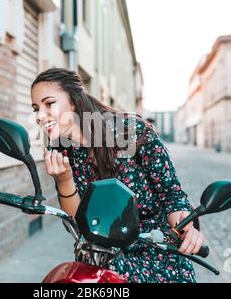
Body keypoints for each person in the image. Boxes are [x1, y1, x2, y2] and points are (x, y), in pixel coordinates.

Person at [30, 68, 204, 283]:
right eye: (36, 108)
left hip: (158, 254)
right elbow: (78, 221)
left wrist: (185, 225)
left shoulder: (131, 132)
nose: (39, 116)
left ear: (73, 101)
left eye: (49, 104)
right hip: (104, 259)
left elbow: (171, 194)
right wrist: (64, 180)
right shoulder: (61, 149)